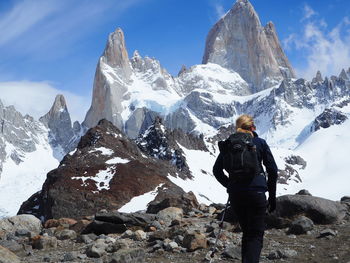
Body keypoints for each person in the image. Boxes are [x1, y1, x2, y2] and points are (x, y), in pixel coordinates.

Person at [213, 114, 278, 263]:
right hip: (257, 193)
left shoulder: (229, 144)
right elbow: (272, 170)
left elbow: (217, 170)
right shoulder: (259, 143)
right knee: (255, 235)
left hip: (236, 196)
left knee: (247, 233)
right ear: (252, 128)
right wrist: (272, 197)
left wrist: (230, 185)